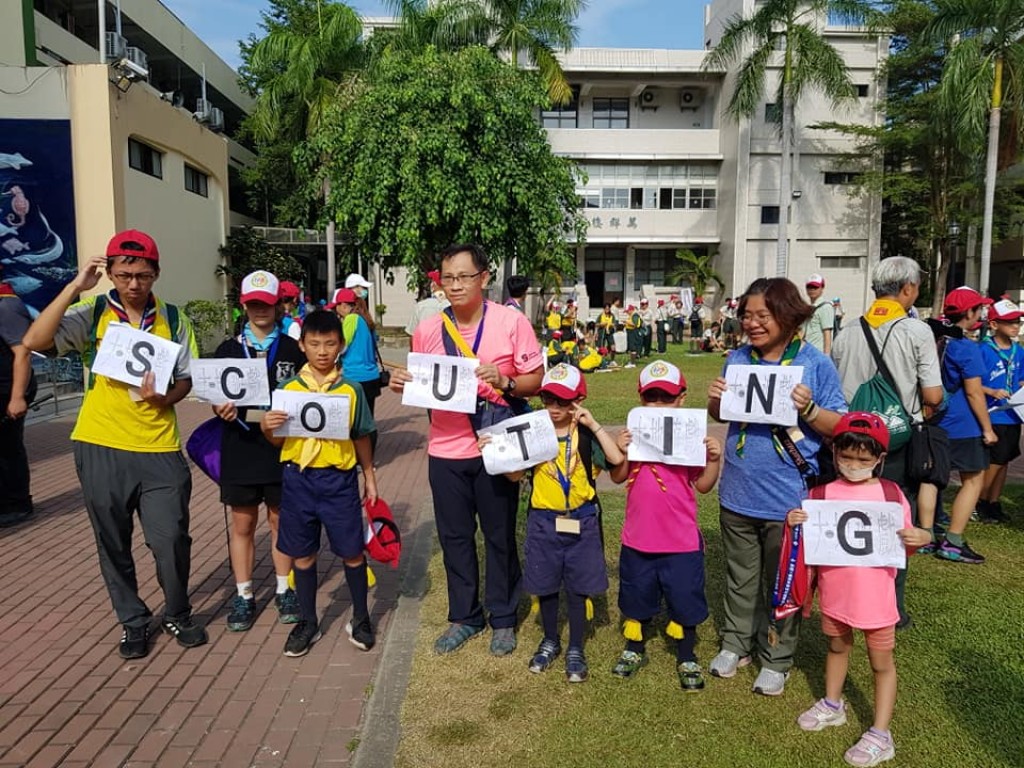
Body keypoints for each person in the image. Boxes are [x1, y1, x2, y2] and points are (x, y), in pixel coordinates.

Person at [22, 230, 207, 659]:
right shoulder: (92, 312)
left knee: (171, 538)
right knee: (113, 541)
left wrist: (166, 397)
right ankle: (133, 621)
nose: (133, 284)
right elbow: (34, 341)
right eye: (124, 275)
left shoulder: (175, 319)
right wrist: (73, 286)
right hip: (100, 442)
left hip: (159, 446)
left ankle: (177, 612)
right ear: (110, 273)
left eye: (143, 275)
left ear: (156, 274)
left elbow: (186, 378)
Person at [389, 243, 544, 656]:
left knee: (498, 536)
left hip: (497, 448)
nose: (454, 286)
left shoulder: (510, 322)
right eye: (447, 278)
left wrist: (506, 380)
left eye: (463, 276)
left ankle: (504, 617)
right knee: (455, 538)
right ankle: (465, 616)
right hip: (445, 449)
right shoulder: (428, 329)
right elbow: (426, 385)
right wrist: (403, 382)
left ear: (484, 278)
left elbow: (536, 380)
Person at [707, 277, 846, 696]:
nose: (751, 323)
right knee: (740, 576)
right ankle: (736, 643)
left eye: (762, 316)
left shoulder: (815, 364)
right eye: (746, 315)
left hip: (788, 499)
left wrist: (810, 408)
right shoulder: (737, 359)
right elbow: (724, 414)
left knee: (784, 582)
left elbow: (839, 425)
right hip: (737, 489)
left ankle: (777, 657)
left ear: (787, 316)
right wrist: (715, 400)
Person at [787, 413, 930, 767]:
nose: (853, 465)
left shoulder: (890, 493)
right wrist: (793, 522)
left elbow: (904, 545)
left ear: (879, 459)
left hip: (877, 601)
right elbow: (806, 545)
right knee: (836, 647)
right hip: (836, 597)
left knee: (881, 663)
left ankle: (881, 733)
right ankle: (833, 703)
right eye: (846, 457)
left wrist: (922, 537)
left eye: (863, 460)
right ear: (834, 453)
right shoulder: (820, 493)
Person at [479, 364, 623, 682]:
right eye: (548, 400)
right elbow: (516, 475)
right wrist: (496, 454)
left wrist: (594, 424)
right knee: (544, 585)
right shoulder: (534, 430)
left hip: (581, 520)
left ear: (579, 399)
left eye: (563, 401)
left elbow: (615, 460)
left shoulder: (585, 435)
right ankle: (550, 640)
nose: (555, 408)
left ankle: (575, 647)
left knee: (577, 586)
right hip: (543, 521)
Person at [831, 256, 944, 628]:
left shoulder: (847, 331)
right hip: (895, 441)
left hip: (849, 440)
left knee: (848, 516)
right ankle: (892, 608)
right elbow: (932, 394)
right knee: (897, 517)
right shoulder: (916, 331)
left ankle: (844, 598)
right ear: (908, 289)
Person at [260, 309, 378, 657]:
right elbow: (277, 442)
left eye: (329, 344)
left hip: (338, 480)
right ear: (302, 345)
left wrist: (369, 476)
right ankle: (309, 621)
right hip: (298, 479)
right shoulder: (288, 388)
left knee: (352, 551)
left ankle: (360, 617)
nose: (323, 351)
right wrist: (268, 426)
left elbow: (362, 436)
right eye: (314, 344)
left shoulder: (351, 389)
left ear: (341, 345)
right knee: (303, 554)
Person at [609, 361, 722, 691]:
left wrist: (713, 460)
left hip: (680, 542)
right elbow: (617, 477)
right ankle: (634, 647)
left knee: (684, 598)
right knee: (636, 595)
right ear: (641, 399)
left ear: (682, 399)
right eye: (651, 397)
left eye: (666, 397)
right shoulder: (636, 439)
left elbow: (702, 486)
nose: (658, 405)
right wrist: (622, 451)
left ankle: (687, 654)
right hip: (639, 539)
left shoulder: (689, 438)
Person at [212, 270, 307, 632]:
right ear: (243, 305)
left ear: (278, 304)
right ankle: (244, 593)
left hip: (281, 447)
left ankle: (284, 589)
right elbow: (214, 394)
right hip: (239, 447)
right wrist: (218, 407)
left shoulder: (292, 349)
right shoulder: (228, 349)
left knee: (280, 520)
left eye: (266, 303)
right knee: (243, 523)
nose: (260, 311)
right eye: (253, 304)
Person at [932, 286, 997, 564]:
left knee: (933, 479)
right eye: (979, 308)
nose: (982, 312)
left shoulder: (937, 340)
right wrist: (987, 428)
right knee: (973, 479)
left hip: (937, 420)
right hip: (964, 425)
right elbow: (974, 392)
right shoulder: (967, 347)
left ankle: (925, 532)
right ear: (969, 313)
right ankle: (953, 540)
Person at [977, 298, 1024, 524]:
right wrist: (992, 391)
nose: (1016, 326)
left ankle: (994, 502)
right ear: (994, 325)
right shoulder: (984, 350)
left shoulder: (1018, 350)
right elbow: (973, 384)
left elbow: (1020, 377)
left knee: (1005, 459)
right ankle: (980, 502)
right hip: (993, 413)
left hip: (1014, 413)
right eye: (1010, 322)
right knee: (994, 460)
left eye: (1018, 321)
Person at [0, 270, 37, 526]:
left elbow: (22, 352)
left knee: (8, 449)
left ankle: (17, 504)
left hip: (8, 389)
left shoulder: (6, 304)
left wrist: (17, 397)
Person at [329, 287, 383, 457]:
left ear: (344, 305)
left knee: (353, 422)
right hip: (371, 375)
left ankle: (358, 458)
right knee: (368, 420)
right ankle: (369, 458)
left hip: (354, 376)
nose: (335, 310)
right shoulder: (366, 319)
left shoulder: (351, 319)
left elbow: (342, 345)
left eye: (336, 306)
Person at [406, 270, 449, 344]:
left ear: (434, 284)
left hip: (425, 352)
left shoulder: (421, 306)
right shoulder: (455, 306)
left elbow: (413, 335)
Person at [803, 273, 835, 355]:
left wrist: (826, 357)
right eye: (809, 287)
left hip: (818, 353)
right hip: (806, 352)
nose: (812, 290)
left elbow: (827, 334)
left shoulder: (825, 307)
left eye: (815, 287)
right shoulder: (808, 308)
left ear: (822, 288)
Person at [623, 304, 642, 368]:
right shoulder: (632, 315)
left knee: (633, 347)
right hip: (630, 332)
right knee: (631, 347)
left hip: (633, 333)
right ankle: (631, 361)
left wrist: (626, 322)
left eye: (627, 311)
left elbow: (635, 324)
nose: (627, 313)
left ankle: (633, 363)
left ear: (631, 310)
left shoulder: (635, 315)